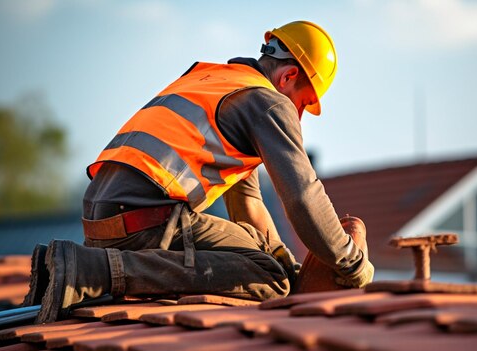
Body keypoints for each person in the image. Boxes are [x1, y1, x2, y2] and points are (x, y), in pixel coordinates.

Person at [23, 20, 374, 324]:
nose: (297, 116)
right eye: (302, 103)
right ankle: (89, 271)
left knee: (269, 260)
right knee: (269, 278)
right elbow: (302, 196)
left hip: (105, 218)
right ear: (289, 76)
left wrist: (288, 262)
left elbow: (247, 207)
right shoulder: (268, 103)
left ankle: (79, 265)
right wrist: (350, 261)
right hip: (144, 220)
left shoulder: (219, 82)